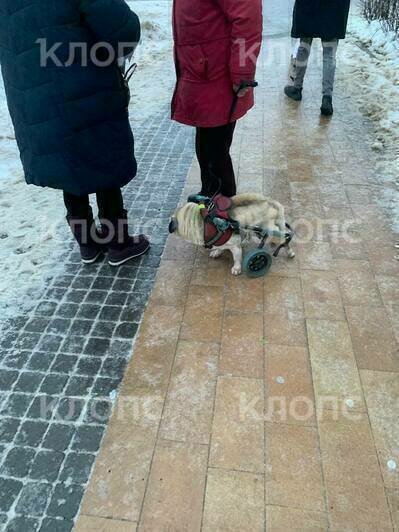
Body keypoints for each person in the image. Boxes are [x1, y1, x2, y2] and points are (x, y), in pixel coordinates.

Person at [0, 0, 150, 265]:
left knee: (68, 166)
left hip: (33, 100)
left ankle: (88, 244)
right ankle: (118, 242)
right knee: (103, 160)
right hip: (84, 87)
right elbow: (123, 31)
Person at [171, 0, 263, 198]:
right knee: (207, 146)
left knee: (215, 151)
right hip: (202, 72)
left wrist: (242, 73)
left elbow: (247, 18)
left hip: (218, 76)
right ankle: (211, 200)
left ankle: (222, 210)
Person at [284, 0, 351, 116]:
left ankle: (297, 88)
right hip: (334, 8)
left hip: (309, 6)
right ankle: (327, 98)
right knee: (329, 54)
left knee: (304, 46)